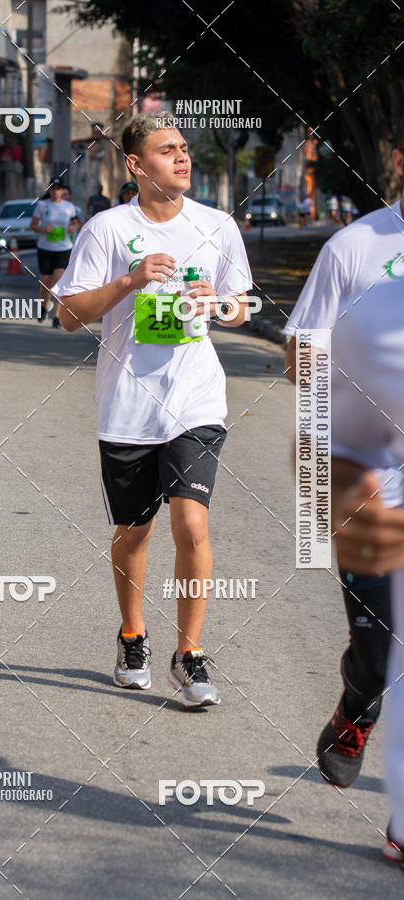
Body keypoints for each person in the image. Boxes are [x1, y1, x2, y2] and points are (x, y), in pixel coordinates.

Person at [51, 113, 253, 707]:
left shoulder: (217, 225)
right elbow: (68, 315)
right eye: (168, 151)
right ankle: (132, 634)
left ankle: (188, 654)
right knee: (135, 531)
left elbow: (243, 305)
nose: (182, 158)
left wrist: (219, 306)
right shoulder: (108, 230)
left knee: (192, 523)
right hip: (128, 405)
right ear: (137, 165)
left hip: (196, 398)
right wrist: (130, 281)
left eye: (185, 148)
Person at [283, 119, 404, 788]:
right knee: (381, 648)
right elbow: (303, 355)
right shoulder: (355, 248)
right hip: (373, 485)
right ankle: (357, 709)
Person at [328, 277, 404, 866]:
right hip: (391, 526)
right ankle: (357, 707)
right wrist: (342, 499)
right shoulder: (375, 316)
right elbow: (328, 439)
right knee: (378, 662)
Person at [30, 178, 80, 329]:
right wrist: (43, 229)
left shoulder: (69, 207)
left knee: (58, 282)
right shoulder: (42, 205)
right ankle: (45, 305)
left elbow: (76, 223)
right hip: (45, 248)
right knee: (46, 283)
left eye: (58, 188)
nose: (55, 191)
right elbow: (32, 225)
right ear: (49, 190)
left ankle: (57, 316)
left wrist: (73, 228)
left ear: (62, 190)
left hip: (63, 248)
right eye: (53, 188)